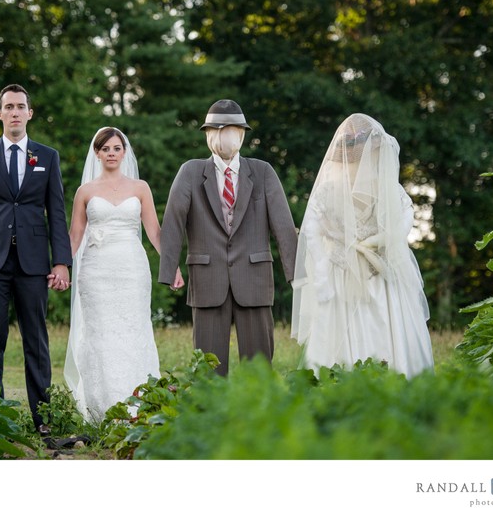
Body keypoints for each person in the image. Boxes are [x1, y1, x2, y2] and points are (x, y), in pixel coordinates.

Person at [0, 84, 72, 436]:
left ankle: (44, 421)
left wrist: (61, 262)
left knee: (36, 341)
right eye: (8, 107)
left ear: (30, 113)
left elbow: (56, 212)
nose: (14, 112)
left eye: (20, 106)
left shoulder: (47, 156)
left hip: (33, 263)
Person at [159, 99, 298, 375]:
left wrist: (297, 275)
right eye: (218, 131)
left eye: (232, 130)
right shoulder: (190, 171)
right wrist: (169, 267)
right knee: (208, 370)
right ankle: (211, 416)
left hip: (255, 278)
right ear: (209, 135)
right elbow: (173, 220)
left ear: (242, 135)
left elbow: (283, 224)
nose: (225, 137)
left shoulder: (262, 171)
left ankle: (259, 417)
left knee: (259, 367)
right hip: (207, 279)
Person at [290, 113, 433, 378]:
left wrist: (324, 266)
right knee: (380, 327)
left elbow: (311, 230)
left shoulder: (379, 189)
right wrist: (379, 244)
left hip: (362, 272)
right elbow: (404, 223)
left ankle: (345, 381)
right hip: (360, 272)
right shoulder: (386, 189)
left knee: (364, 328)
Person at [64, 127, 184, 422]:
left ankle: (138, 406)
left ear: (124, 151)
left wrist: (172, 266)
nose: (112, 153)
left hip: (132, 270)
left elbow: (154, 232)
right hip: (95, 272)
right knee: (100, 335)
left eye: (117, 148)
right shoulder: (86, 191)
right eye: (106, 149)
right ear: (97, 153)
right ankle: (101, 408)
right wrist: (59, 267)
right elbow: (75, 235)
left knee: (133, 331)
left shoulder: (140, 188)